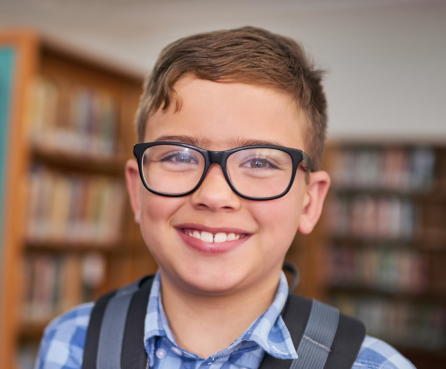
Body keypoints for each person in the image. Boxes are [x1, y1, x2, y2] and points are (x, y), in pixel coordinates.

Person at [34, 26, 415, 369]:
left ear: (310, 202)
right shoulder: (70, 343)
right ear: (137, 189)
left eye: (260, 162)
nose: (215, 195)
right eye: (179, 156)